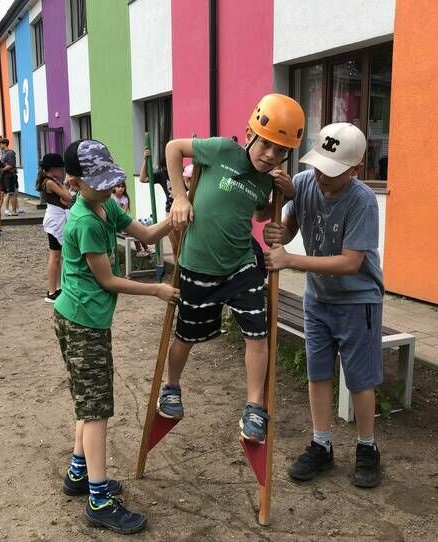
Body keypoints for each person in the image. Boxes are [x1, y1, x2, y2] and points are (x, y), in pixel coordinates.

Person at [157, 93, 304, 444]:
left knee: (258, 333)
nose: (270, 155)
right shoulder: (222, 150)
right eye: (265, 144)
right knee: (186, 335)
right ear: (250, 134)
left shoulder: (267, 180)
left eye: (280, 151)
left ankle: (254, 406)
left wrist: (284, 196)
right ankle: (171, 387)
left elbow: (259, 213)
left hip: (240, 264)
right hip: (198, 263)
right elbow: (173, 149)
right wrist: (180, 197)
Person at [53, 139, 178, 534]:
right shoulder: (85, 222)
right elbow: (107, 280)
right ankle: (99, 500)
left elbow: (148, 234)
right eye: (100, 182)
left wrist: (177, 214)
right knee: (96, 411)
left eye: (111, 179)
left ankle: (78, 473)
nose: (109, 187)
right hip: (81, 323)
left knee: (88, 401)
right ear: (75, 182)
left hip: (89, 320)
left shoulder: (105, 205)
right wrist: (156, 290)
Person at [263, 122, 384, 488]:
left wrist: (289, 260)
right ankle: (321, 445)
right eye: (317, 167)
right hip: (317, 299)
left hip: (357, 300)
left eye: (331, 171)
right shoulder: (304, 183)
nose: (321, 176)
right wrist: (279, 227)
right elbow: (289, 228)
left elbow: (350, 262)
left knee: (359, 380)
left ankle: (367, 447)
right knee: (317, 373)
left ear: (355, 168)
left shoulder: (363, 201)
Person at [37, 152, 72, 302]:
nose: (62, 171)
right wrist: (65, 186)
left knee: (58, 257)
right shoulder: (50, 182)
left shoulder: (51, 180)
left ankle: (57, 288)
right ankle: (51, 291)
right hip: (55, 220)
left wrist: (64, 187)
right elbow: (68, 197)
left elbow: (66, 198)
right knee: (55, 256)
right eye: (60, 168)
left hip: (58, 217)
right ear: (53, 169)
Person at [139, 147, 178, 257]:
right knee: (175, 246)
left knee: (183, 245)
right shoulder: (162, 175)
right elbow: (143, 178)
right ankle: (177, 267)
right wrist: (146, 160)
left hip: (184, 211)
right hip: (170, 212)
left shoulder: (183, 173)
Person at [111, 182, 151, 257]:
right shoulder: (111, 197)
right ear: (114, 188)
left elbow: (124, 213)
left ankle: (146, 248)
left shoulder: (125, 198)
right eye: (118, 187)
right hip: (114, 223)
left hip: (122, 221)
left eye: (122, 187)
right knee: (134, 231)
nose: (121, 189)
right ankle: (139, 250)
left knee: (137, 229)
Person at [0, 137, 18, 216]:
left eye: (0, 144)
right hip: (4, 175)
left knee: (11, 193)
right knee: (2, 193)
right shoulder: (4, 153)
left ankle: (14, 211)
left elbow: (11, 165)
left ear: (5, 144)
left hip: (9, 176)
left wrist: (2, 169)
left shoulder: (10, 153)